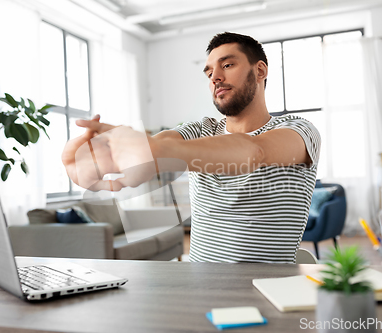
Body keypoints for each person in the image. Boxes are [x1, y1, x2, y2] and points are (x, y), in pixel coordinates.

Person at [62, 32, 321, 264]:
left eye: (228, 65)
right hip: (199, 282)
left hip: (270, 285)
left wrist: (151, 149)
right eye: (209, 73)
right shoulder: (200, 129)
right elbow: (164, 145)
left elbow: (255, 151)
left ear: (260, 71)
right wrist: (107, 160)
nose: (215, 77)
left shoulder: (298, 130)